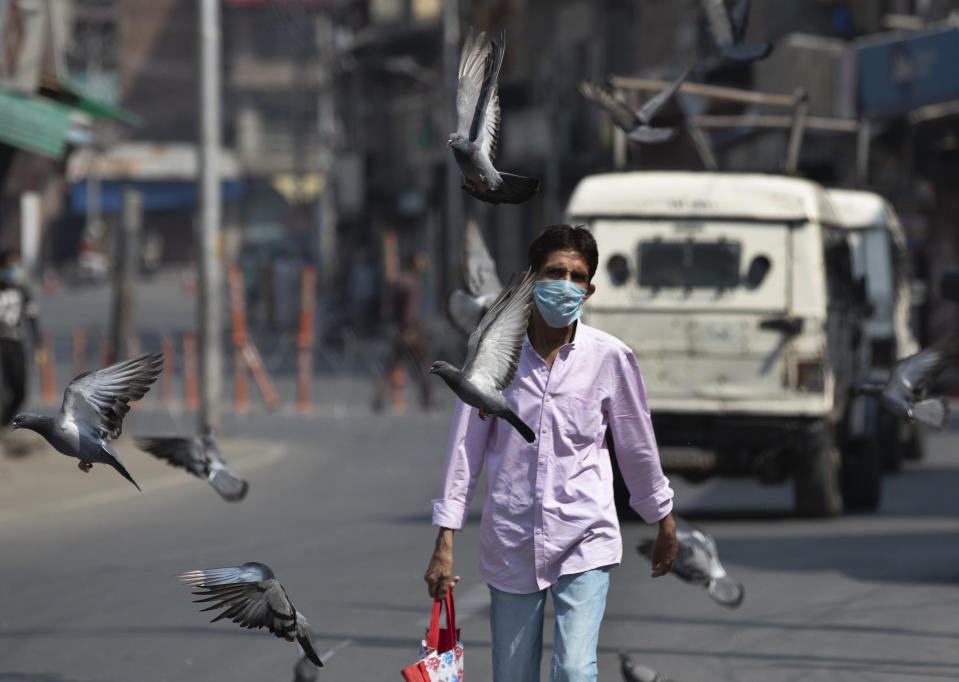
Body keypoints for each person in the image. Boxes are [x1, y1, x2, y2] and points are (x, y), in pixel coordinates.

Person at [424, 225, 677, 682]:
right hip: (512, 539)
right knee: (514, 673)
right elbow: (465, 449)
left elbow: (636, 446)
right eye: (554, 272)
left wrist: (663, 519)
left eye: (576, 276)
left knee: (576, 671)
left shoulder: (610, 358)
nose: (565, 284)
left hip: (586, 535)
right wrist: (445, 540)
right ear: (531, 278)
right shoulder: (491, 355)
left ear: (590, 288)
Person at [372, 251, 433, 413]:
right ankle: (427, 399)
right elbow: (410, 311)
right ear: (413, 263)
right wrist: (409, 330)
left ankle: (379, 398)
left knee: (390, 367)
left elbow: (389, 308)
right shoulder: (411, 282)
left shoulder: (398, 281)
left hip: (399, 330)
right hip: (409, 332)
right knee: (421, 366)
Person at [0, 250, 42, 425]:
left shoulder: (22, 291)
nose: (13, 269)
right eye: (10, 265)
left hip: (16, 344)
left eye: (15, 265)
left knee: (20, 390)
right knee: (3, 389)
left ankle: (4, 423)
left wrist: (38, 345)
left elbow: (31, 317)